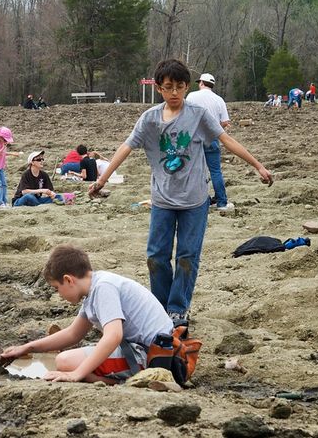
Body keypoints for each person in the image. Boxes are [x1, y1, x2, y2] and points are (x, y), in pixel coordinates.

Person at [89, 58, 273, 324]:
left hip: (195, 201)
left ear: (187, 87)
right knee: (156, 257)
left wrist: (258, 166)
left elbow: (226, 139)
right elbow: (126, 147)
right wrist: (102, 180)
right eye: (168, 87)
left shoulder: (198, 115)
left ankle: (177, 309)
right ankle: (159, 308)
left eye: (179, 87)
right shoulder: (149, 119)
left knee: (187, 257)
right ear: (159, 88)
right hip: (162, 200)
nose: (174, 93)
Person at [0, 245, 173, 384]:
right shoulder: (94, 288)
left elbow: (113, 336)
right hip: (146, 349)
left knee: (65, 362)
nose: (58, 294)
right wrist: (27, 347)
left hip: (156, 356)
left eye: (57, 288)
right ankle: (112, 381)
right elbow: (73, 334)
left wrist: (76, 374)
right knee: (69, 363)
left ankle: (131, 381)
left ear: (68, 280)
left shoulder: (103, 288)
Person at [186, 73, 233, 210]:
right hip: (212, 138)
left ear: (201, 83)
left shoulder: (192, 96)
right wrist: (214, 129)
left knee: (193, 171)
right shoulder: (219, 100)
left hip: (194, 139)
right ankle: (222, 203)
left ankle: (195, 201)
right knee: (215, 171)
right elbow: (225, 122)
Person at [0, 126, 21, 208]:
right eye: (5, 139)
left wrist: (12, 153)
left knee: (4, 184)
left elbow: (3, 153)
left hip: (1, 167)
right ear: (0, 137)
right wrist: (3, 148)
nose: (6, 141)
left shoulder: (3, 143)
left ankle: (4, 201)